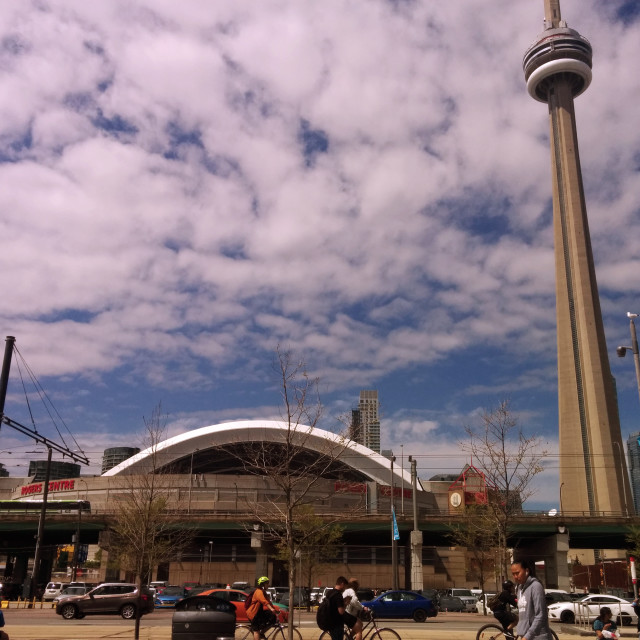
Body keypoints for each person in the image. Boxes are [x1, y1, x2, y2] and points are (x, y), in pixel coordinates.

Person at [512, 558, 552, 640]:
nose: (515, 576)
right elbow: (524, 613)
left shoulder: (535, 586)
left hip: (538, 636)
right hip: (525, 635)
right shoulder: (519, 588)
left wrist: (527, 636)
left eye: (517, 573)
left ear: (526, 571)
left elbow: (540, 615)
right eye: (513, 574)